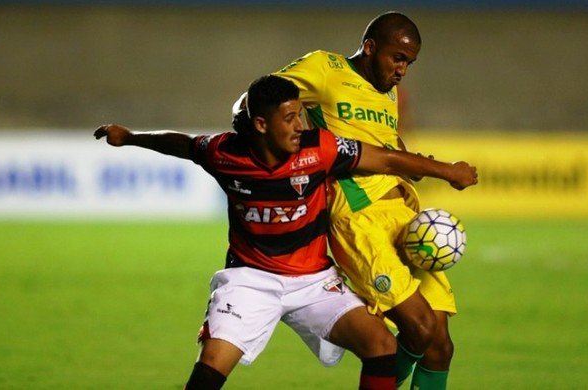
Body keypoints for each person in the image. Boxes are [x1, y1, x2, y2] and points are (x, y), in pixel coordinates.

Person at [95, 75, 477, 389]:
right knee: (211, 366)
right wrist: (129, 137)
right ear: (261, 124)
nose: (300, 126)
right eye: (290, 118)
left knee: (380, 345)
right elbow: (181, 144)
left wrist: (447, 171)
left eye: (300, 115)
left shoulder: (320, 149)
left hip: (314, 282)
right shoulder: (225, 153)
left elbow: (387, 158)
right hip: (250, 280)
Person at [263, 11, 463, 389]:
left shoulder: (387, 91)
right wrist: (286, 140)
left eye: (409, 63)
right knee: (418, 329)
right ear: (370, 47)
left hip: (404, 216)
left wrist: (415, 164)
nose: (402, 70)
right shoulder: (325, 68)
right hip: (358, 218)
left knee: (440, 345)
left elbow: (385, 142)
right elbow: (261, 98)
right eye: (397, 58)